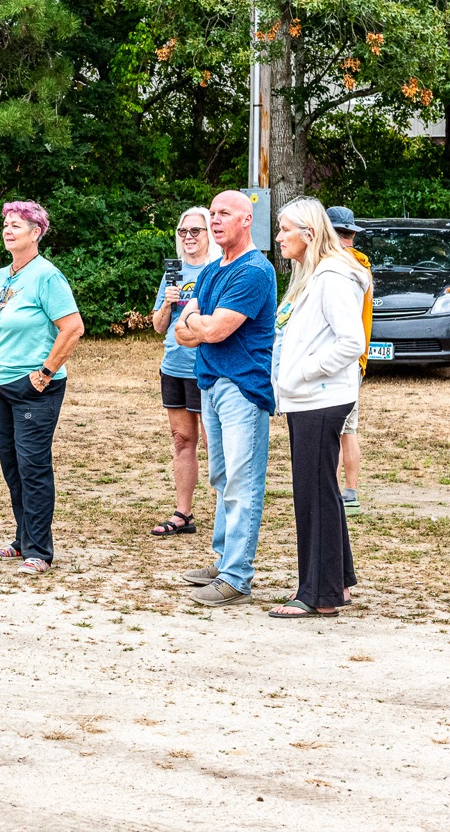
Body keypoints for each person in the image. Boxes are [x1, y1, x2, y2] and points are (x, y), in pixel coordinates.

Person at [0, 201, 84, 576]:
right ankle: (22, 539)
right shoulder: (1, 277)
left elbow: (73, 327)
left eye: (17, 224)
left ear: (36, 233)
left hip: (34, 387)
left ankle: (39, 550)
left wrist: (45, 373)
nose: (8, 229)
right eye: (6, 224)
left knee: (33, 465)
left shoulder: (47, 277)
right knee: (12, 466)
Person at [173, 190, 278, 607]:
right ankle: (222, 560)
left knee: (241, 480)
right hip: (211, 383)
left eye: (224, 214)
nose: (215, 221)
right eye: (212, 213)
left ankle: (237, 576)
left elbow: (213, 331)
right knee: (221, 478)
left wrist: (196, 321)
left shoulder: (254, 270)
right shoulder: (213, 270)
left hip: (242, 388)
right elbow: (182, 334)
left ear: (247, 219)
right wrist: (200, 322)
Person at [268, 199, 368, 618]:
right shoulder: (313, 276)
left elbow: (351, 342)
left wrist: (301, 374)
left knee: (313, 495)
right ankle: (337, 582)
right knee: (321, 490)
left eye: (284, 229)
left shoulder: (333, 277)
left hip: (319, 397)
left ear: (309, 233)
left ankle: (318, 594)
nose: (278, 238)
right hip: (309, 398)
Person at [147, 206, 221, 537]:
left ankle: (225, 512)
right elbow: (159, 325)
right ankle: (183, 514)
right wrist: (167, 302)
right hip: (173, 366)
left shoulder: (217, 270)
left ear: (209, 234)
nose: (189, 237)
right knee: (182, 440)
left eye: (196, 231)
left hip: (204, 367)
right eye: (183, 232)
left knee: (213, 443)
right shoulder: (173, 273)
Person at [327, 205, 372, 516]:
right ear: (352, 234)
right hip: (356, 359)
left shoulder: (339, 266)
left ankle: (334, 492)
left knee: (332, 429)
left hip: (337, 358)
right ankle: (351, 492)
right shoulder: (361, 264)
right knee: (348, 429)